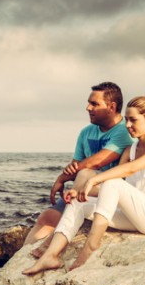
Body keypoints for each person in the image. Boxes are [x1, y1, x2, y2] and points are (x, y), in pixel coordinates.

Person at [23, 90, 145, 275]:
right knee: (78, 201)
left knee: (111, 182)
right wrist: (81, 192)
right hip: (135, 215)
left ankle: (91, 247)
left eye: (133, 120)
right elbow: (117, 188)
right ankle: (51, 255)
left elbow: (129, 170)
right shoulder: (130, 149)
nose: (127, 125)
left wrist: (95, 179)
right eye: (126, 119)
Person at [24, 81, 134, 245]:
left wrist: (61, 179)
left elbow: (96, 162)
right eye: (89, 103)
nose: (88, 108)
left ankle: (53, 242)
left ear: (111, 107)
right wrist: (66, 177)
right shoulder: (86, 132)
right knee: (47, 217)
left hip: (110, 192)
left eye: (94, 104)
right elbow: (76, 165)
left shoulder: (126, 130)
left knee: (85, 172)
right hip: (84, 188)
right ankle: (20, 260)